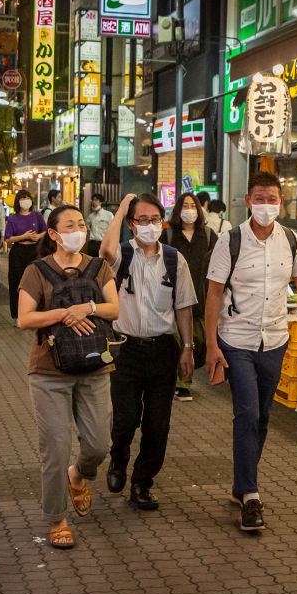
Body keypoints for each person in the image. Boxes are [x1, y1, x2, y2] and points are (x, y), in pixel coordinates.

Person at [204, 171, 297, 532]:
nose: (267, 205)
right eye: (260, 198)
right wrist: (211, 344)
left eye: (273, 199)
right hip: (237, 339)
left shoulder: (291, 241)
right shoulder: (229, 241)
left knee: (262, 416)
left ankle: (241, 483)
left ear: (281, 202)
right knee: (246, 413)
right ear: (248, 201)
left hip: (275, 340)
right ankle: (250, 495)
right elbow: (214, 294)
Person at [17, 205, 120, 549]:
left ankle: (78, 475)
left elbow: (114, 309)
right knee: (56, 449)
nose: (78, 229)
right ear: (53, 234)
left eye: (81, 224)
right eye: (69, 225)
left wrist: (86, 308)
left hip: (95, 367)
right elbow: (25, 319)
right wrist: (63, 314)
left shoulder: (99, 266)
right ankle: (57, 518)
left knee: (98, 445)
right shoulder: (37, 271)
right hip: (49, 371)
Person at [100, 193, 196, 509]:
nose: (149, 226)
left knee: (157, 425)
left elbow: (183, 306)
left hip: (162, 353)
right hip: (125, 350)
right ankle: (118, 460)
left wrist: (187, 347)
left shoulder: (173, 259)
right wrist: (123, 205)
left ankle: (142, 482)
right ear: (130, 224)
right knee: (126, 419)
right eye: (142, 220)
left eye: (155, 220)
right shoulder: (122, 256)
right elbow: (105, 250)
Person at [161, 192, 218, 402]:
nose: (189, 210)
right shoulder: (168, 235)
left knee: (196, 342)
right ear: (178, 209)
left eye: (193, 206)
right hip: (172, 298)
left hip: (201, 298)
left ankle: (183, 377)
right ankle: (181, 383)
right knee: (176, 342)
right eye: (185, 206)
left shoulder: (210, 235)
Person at [5, 190, 47, 319]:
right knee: (17, 283)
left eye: (28, 198)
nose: (26, 200)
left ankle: (35, 311)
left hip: (34, 251)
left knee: (36, 282)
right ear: (18, 201)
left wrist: (37, 237)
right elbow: (8, 239)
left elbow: (45, 231)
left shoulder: (37, 215)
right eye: (22, 198)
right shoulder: (13, 218)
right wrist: (23, 237)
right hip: (18, 252)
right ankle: (18, 315)